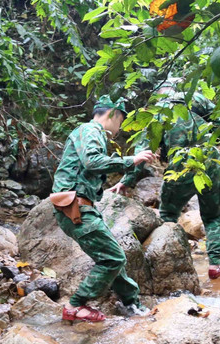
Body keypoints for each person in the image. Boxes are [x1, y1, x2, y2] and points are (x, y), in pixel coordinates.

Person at [110, 81, 220, 279]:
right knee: (215, 215)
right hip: (209, 164)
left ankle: (167, 263)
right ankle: (216, 264)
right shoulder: (197, 99)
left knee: (168, 215)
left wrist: (127, 180)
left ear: (159, 93)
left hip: (179, 168)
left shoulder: (157, 113)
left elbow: (144, 152)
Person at [52, 96, 156, 323]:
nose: (119, 129)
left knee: (113, 256)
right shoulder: (91, 130)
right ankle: (75, 305)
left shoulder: (89, 132)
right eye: (120, 122)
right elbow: (92, 161)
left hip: (80, 207)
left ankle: (132, 303)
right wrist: (132, 160)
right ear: (113, 115)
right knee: (113, 258)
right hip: (75, 207)